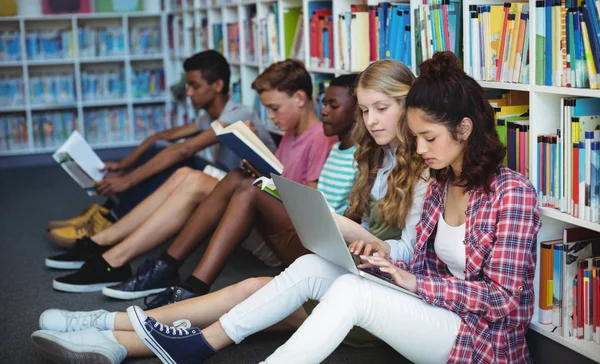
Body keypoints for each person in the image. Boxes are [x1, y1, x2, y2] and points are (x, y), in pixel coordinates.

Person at [30, 59, 431, 363]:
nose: (370, 120)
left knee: (251, 294)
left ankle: (111, 331)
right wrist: (344, 234)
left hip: (381, 292)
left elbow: (409, 255)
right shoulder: (380, 157)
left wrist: (344, 229)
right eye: (364, 111)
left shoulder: (422, 169)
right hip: (354, 273)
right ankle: (109, 330)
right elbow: (370, 231)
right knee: (247, 293)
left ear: (407, 105)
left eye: (381, 109)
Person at [49, 59, 338, 294]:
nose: (270, 117)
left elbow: (308, 205)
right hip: (262, 219)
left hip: (283, 241)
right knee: (190, 174)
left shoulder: (318, 138)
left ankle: (120, 257)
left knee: (201, 180)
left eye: (274, 108)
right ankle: (111, 249)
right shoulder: (291, 134)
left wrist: (267, 181)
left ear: (300, 98)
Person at [47, 50, 276, 248]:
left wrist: (128, 180)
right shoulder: (210, 117)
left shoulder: (238, 115)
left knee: (180, 160)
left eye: (195, 86)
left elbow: (185, 150)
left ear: (217, 86)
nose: (188, 92)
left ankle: (114, 218)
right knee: (161, 148)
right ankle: (108, 213)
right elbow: (162, 137)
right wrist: (122, 166)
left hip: (249, 189)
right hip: (227, 180)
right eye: (188, 86)